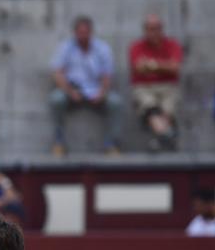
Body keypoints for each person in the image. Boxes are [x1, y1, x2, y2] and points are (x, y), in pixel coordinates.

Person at [48, 15, 122, 156]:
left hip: (96, 90)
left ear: (91, 32)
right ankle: (59, 141)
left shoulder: (102, 48)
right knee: (56, 99)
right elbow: (57, 73)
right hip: (72, 90)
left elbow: (107, 75)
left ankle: (111, 143)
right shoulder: (66, 47)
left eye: (86, 32)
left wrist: (102, 92)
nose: (83, 36)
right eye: (80, 33)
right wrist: (70, 92)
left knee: (115, 102)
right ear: (75, 33)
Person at [128, 13, 182, 152]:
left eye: (157, 28)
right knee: (149, 106)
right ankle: (167, 133)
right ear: (145, 30)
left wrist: (151, 65)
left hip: (168, 87)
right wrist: (164, 66)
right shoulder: (136, 46)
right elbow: (138, 68)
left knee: (167, 108)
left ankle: (159, 137)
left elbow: (175, 68)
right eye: (150, 28)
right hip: (144, 87)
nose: (154, 32)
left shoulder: (172, 45)